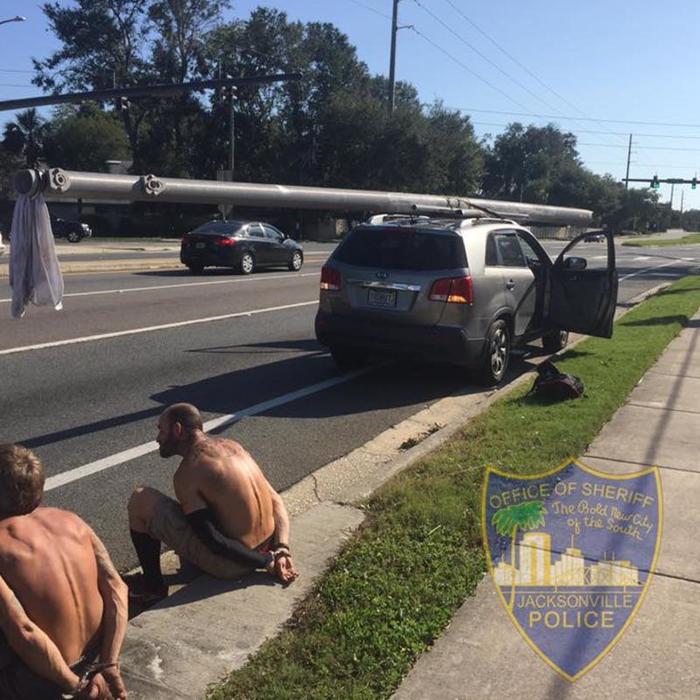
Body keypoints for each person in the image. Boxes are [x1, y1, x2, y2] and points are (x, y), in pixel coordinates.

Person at [127, 403, 299, 604]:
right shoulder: (234, 447)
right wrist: (281, 548)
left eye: (161, 430)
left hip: (232, 563)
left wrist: (265, 562)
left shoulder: (189, 471)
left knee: (141, 499)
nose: (157, 439)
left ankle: (153, 588)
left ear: (177, 430)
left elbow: (212, 539)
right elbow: (276, 501)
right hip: (269, 543)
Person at [0, 444, 128, 699]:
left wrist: (75, 687)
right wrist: (109, 663)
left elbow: (23, 630)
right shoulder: (73, 522)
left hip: (44, 677)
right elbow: (117, 587)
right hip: (95, 661)